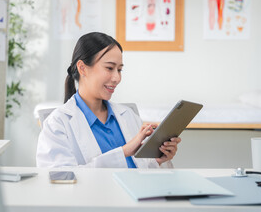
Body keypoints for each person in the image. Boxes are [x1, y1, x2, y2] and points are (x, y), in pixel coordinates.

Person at [36, 32, 181, 168]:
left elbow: (143, 171)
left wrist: (158, 160)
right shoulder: (57, 124)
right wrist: (123, 152)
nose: (117, 78)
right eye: (109, 68)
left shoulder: (128, 115)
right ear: (82, 68)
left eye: (119, 70)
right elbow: (61, 179)